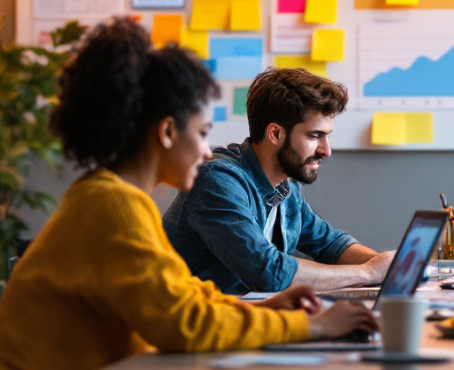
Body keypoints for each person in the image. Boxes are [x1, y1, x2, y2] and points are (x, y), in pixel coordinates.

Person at [0, 19, 375, 370]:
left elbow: (184, 300)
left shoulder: (114, 201)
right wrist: (306, 326)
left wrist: (276, 308)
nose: (209, 150)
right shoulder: (113, 209)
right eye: (203, 132)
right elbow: (187, 326)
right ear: (167, 132)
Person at [164, 68, 393, 296]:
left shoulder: (286, 185)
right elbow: (268, 270)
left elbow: (329, 244)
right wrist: (368, 273)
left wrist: (392, 266)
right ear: (275, 134)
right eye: (315, 136)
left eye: (327, 135)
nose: (327, 150)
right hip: (196, 326)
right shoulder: (218, 181)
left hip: (246, 317)